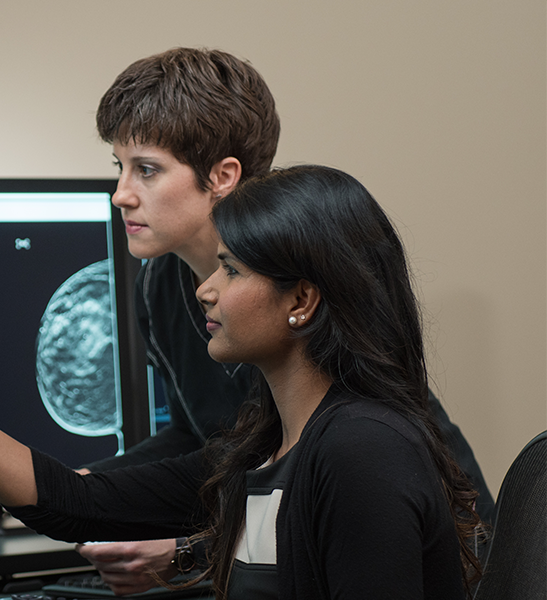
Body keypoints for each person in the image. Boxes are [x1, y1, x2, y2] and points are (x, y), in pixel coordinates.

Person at [0, 164, 483, 599]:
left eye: (232, 271)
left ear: (301, 301)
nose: (206, 292)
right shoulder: (264, 447)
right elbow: (69, 503)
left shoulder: (362, 452)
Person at [72, 47, 493, 594]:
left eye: (146, 170)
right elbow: (198, 434)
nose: (120, 195)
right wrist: (90, 484)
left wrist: (188, 550)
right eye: (119, 167)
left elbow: (297, 466)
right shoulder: (160, 283)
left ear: (222, 176)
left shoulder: (285, 289)